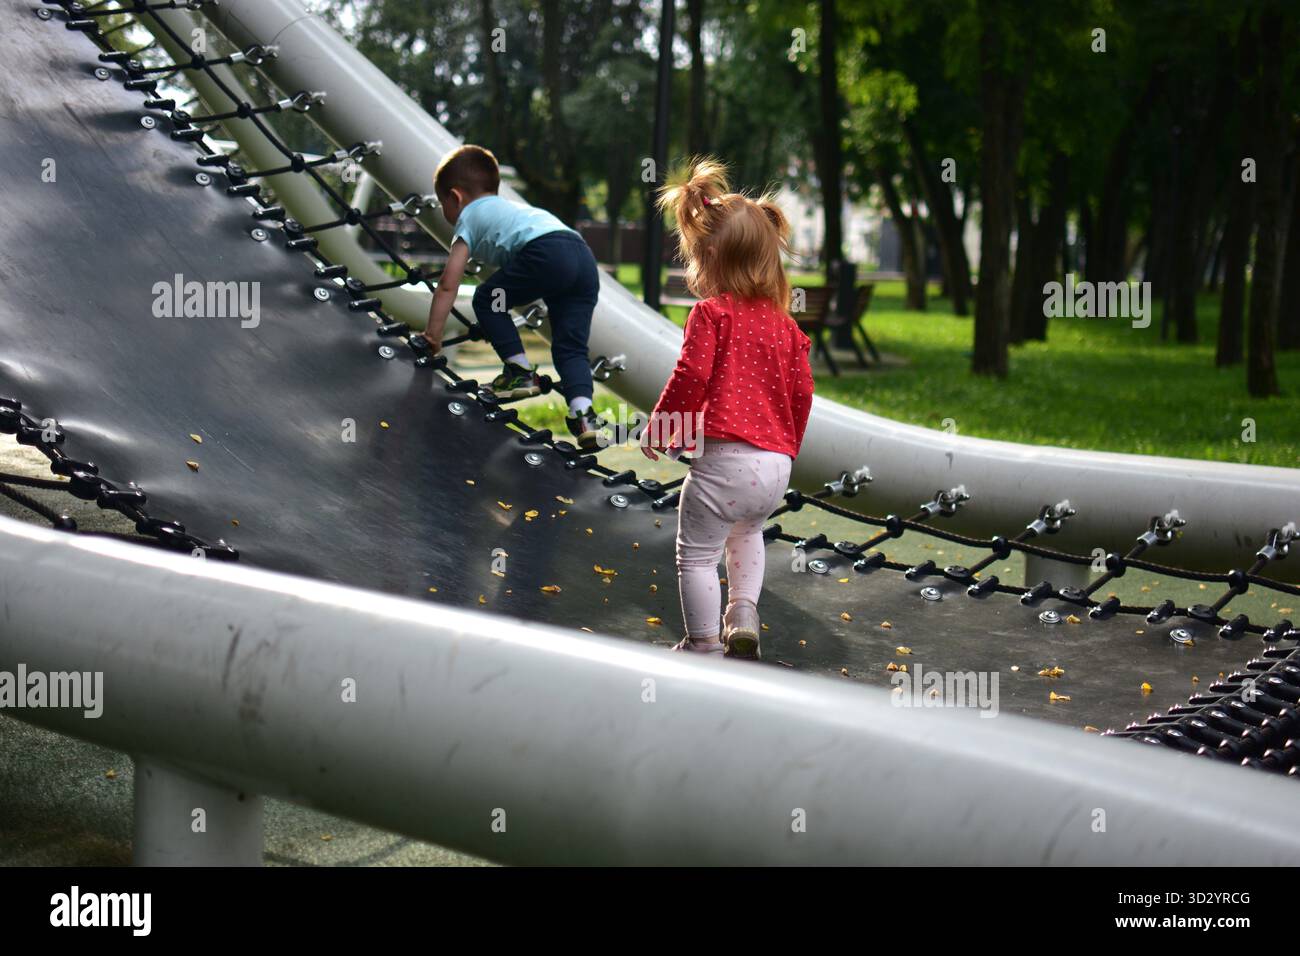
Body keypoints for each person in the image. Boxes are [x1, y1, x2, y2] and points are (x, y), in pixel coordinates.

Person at [642, 158, 814, 659]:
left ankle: (702, 647)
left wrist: (663, 424)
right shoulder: (789, 330)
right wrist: (785, 450)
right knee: (748, 533)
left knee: (695, 556)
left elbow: (692, 376)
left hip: (724, 461)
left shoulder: (711, 315)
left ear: (709, 257)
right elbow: (802, 395)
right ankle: (742, 613)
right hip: (775, 467)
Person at [418, 144, 605, 447]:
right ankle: (584, 416)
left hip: (547, 253)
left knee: (487, 299)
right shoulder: (510, 209)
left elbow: (448, 284)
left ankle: (519, 371)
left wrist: (433, 335)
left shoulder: (469, 216)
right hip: (583, 259)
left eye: (443, 203)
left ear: (455, 197)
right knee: (570, 348)